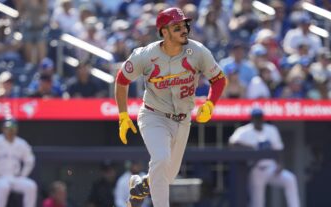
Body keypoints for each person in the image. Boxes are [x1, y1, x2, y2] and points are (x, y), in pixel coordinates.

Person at [114, 7, 226, 207]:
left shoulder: (197, 51)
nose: (183, 30)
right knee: (161, 158)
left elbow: (219, 79)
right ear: (164, 32)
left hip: (183, 119)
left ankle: (140, 184)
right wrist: (123, 115)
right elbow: (122, 80)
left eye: (184, 25)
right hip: (153, 115)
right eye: (176, 27)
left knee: (168, 176)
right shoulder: (145, 55)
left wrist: (210, 103)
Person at [229, 108, 300, 207]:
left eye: (260, 118)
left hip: (272, 168)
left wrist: (280, 164)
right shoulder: (244, 131)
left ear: (263, 118)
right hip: (256, 170)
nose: (258, 120)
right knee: (258, 202)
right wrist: (251, 147)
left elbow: (278, 149)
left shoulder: (271, 130)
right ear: (252, 119)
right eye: (256, 118)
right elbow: (232, 143)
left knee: (290, 179)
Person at [0, 117, 37, 207]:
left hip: (14, 177)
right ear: (3, 128)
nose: (11, 130)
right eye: (8, 127)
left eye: (13, 127)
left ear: (16, 129)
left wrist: (23, 175)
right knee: (4, 187)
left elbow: (30, 161)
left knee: (31, 186)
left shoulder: (21, 143)